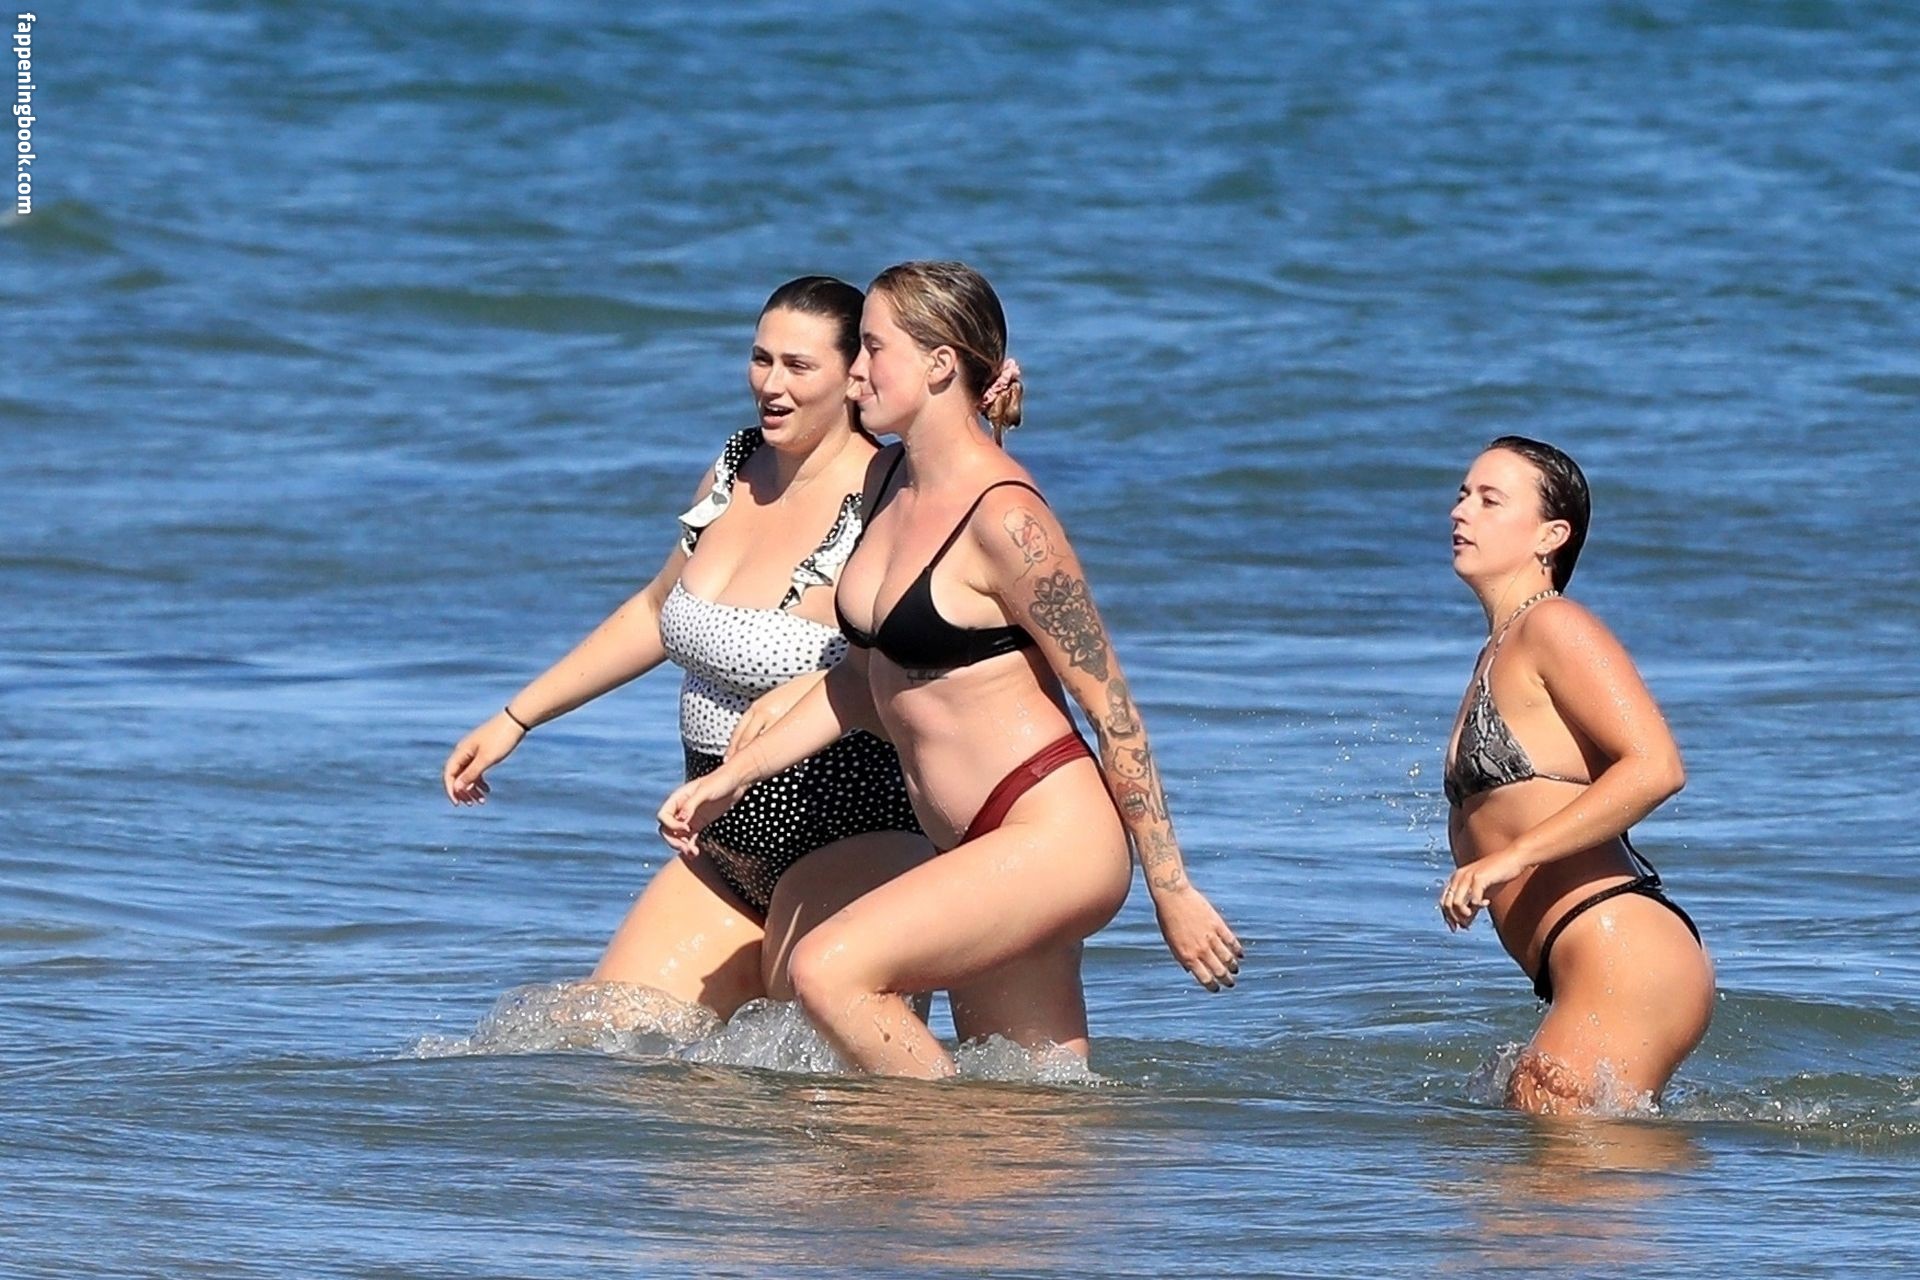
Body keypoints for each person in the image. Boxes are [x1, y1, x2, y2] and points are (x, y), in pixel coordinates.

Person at [660, 260, 1241, 1078]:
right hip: (971, 846)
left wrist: (1171, 892)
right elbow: (859, 683)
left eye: (873, 349)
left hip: (1051, 835)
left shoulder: (1007, 519)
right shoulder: (890, 486)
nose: (854, 373)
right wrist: (735, 776)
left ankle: (925, 1135)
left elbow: (1114, 712)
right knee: (1030, 1109)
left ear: (939, 364)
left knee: (829, 970)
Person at [442, 276, 931, 1021]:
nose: (771, 385)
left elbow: (922, 661)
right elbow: (654, 609)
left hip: (854, 837)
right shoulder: (735, 466)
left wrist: (804, 691)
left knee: (815, 1075)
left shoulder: (891, 494)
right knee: (601, 1035)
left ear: (854, 375)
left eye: (799, 366)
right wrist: (517, 718)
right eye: (761, 359)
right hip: (721, 848)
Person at [1439, 436, 1713, 1113]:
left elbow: (1657, 766)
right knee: (1536, 1163)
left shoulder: (1555, 625)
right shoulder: (1498, 648)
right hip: (1583, 960)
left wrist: (1511, 859)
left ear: (1550, 535)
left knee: (1549, 1168)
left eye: (1489, 500)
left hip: (1620, 949)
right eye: (1463, 494)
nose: (1460, 511)